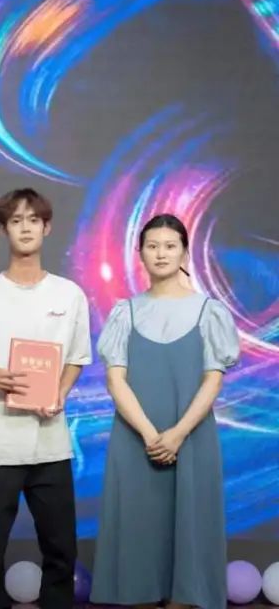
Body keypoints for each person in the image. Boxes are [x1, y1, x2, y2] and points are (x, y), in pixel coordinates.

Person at [0, 188, 91, 609]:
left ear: (47, 228)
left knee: (61, 548)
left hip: (51, 442)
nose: (25, 228)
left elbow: (77, 358)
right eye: (15, 221)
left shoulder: (69, 294)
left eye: (33, 220)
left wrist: (59, 393)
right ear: (2, 230)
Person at [91, 214, 239, 609]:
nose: (161, 253)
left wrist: (177, 433)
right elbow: (115, 381)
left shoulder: (210, 311)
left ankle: (183, 598)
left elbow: (213, 381)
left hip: (192, 435)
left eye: (170, 246)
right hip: (134, 436)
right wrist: (149, 434)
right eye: (152, 246)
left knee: (191, 522)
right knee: (137, 524)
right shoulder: (125, 312)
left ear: (185, 253)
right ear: (139, 253)